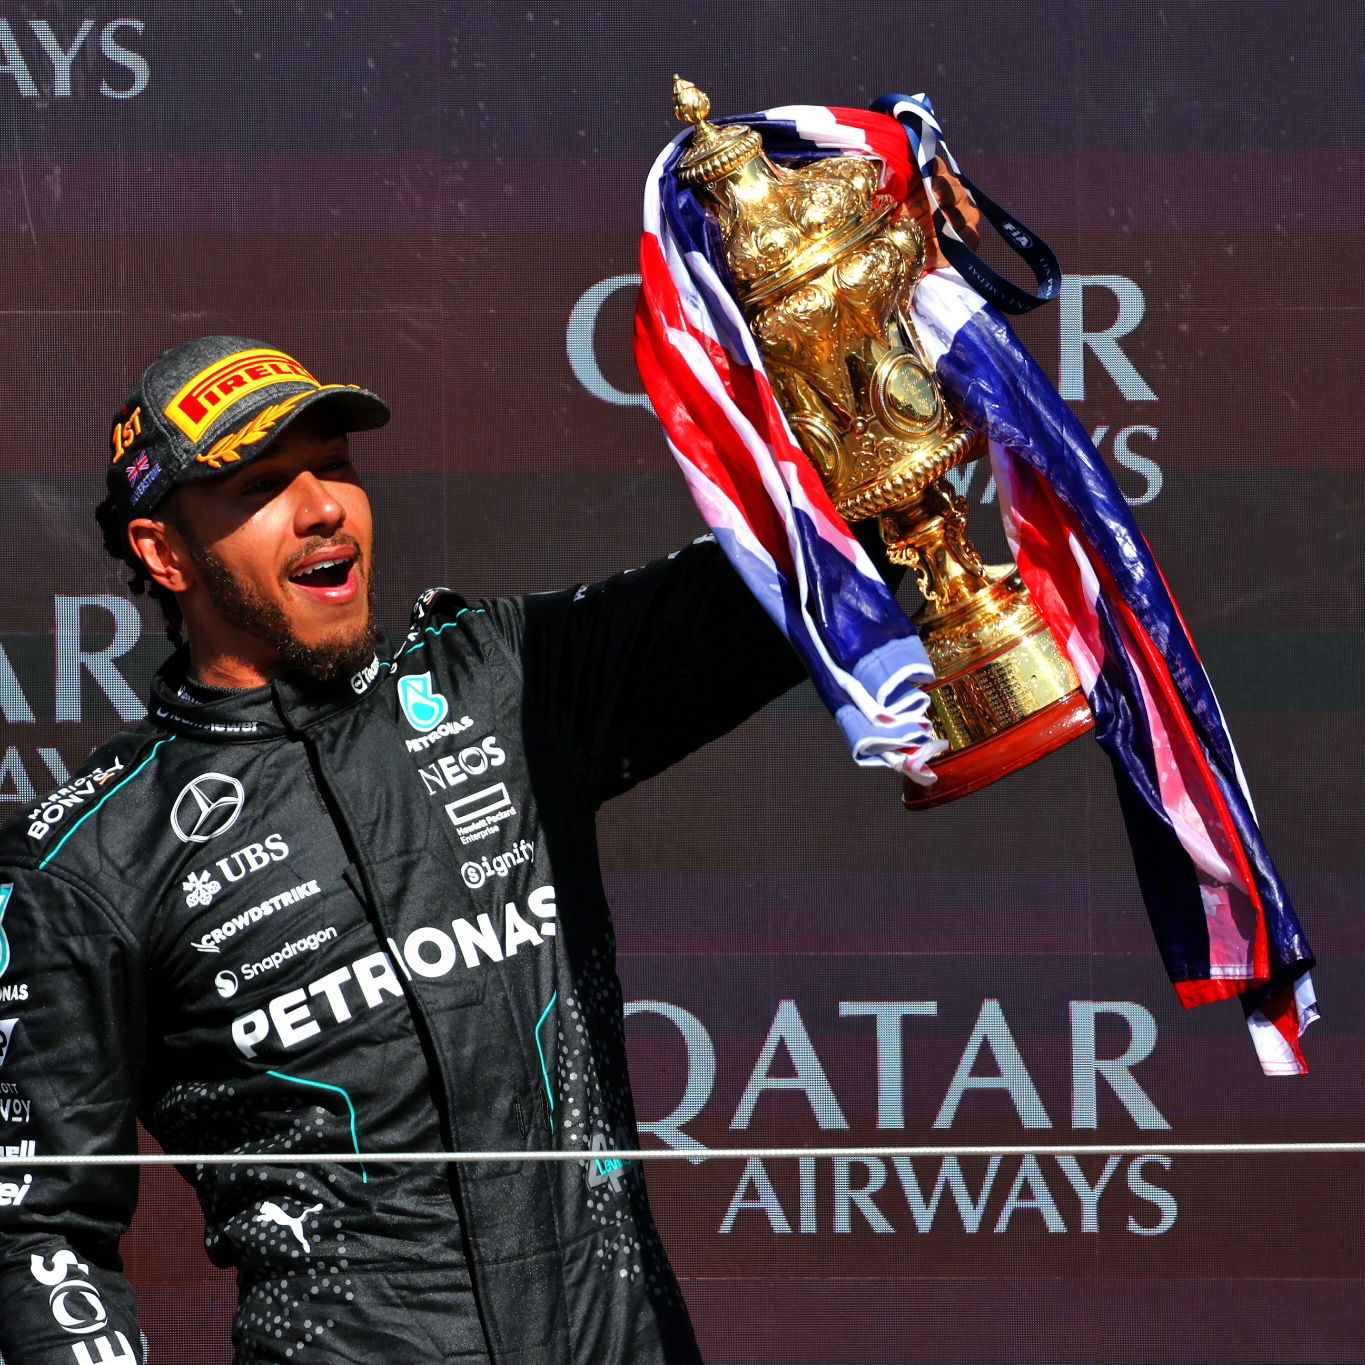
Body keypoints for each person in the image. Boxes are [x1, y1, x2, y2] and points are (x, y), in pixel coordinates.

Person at [0, 336, 810, 1365]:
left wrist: (893, 355)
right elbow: (33, 1235)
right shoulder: (87, 863)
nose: (324, 507)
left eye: (334, 468)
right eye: (262, 486)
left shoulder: (506, 684)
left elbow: (795, 570)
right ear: (165, 553)